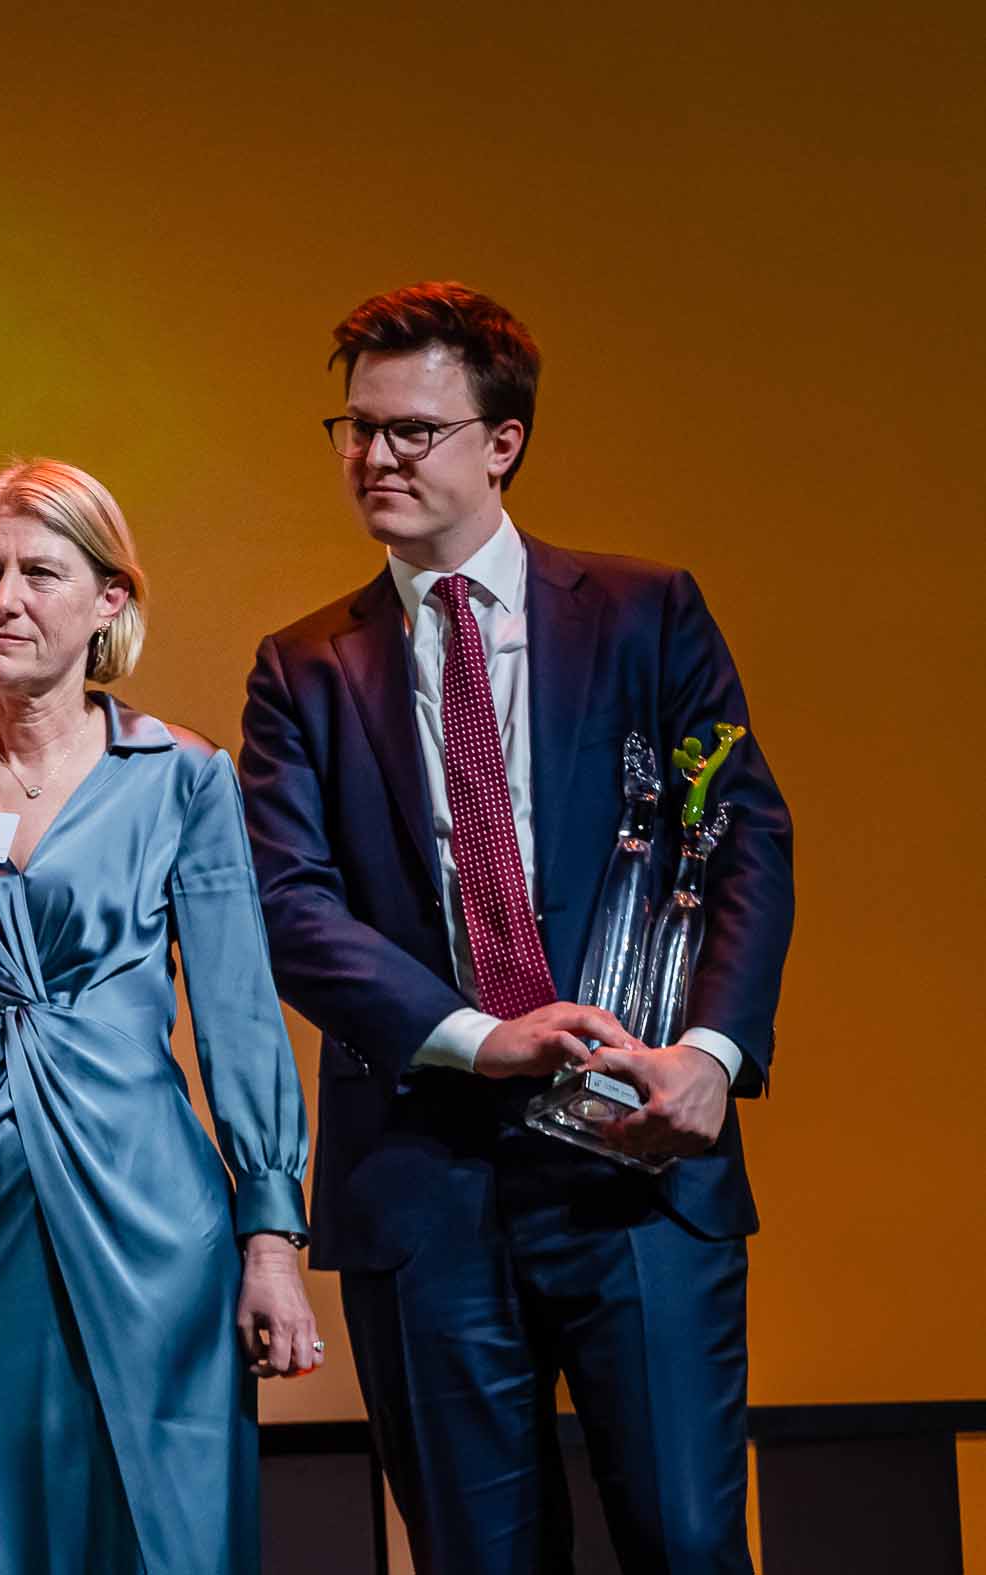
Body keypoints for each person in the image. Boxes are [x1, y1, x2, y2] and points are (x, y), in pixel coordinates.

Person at [238, 282, 794, 1574]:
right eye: (356, 427)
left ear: (502, 441)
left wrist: (711, 1055)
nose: (374, 456)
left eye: (412, 429)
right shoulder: (302, 667)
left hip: (638, 1157)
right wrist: (479, 1038)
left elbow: (742, 839)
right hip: (424, 1175)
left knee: (688, 1544)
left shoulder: (645, 612)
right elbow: (289, 904)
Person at [0, 460, 319, 1575]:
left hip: (156, 1237)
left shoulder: (180, 778)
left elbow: (239, 1021)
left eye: (40, 573)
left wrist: (272, 1240)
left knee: (166, 1545)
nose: (3, 599)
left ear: (107, 600)